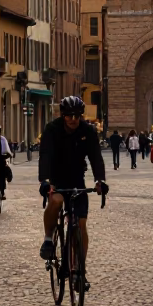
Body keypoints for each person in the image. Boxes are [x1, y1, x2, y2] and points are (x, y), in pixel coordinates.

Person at [38, 96, 107, 284]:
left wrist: (100, 180)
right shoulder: (52, 130)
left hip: (77, 178)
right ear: (63, 115)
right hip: (56, 177)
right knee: (57, 200)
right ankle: (48, 238)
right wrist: (45, 181)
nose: (73, 119)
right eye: (69, 115)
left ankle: (80, 270)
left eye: (77, 115)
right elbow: (45, 156)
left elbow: (95, 157)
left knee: (81, 225)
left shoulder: (88, 131)